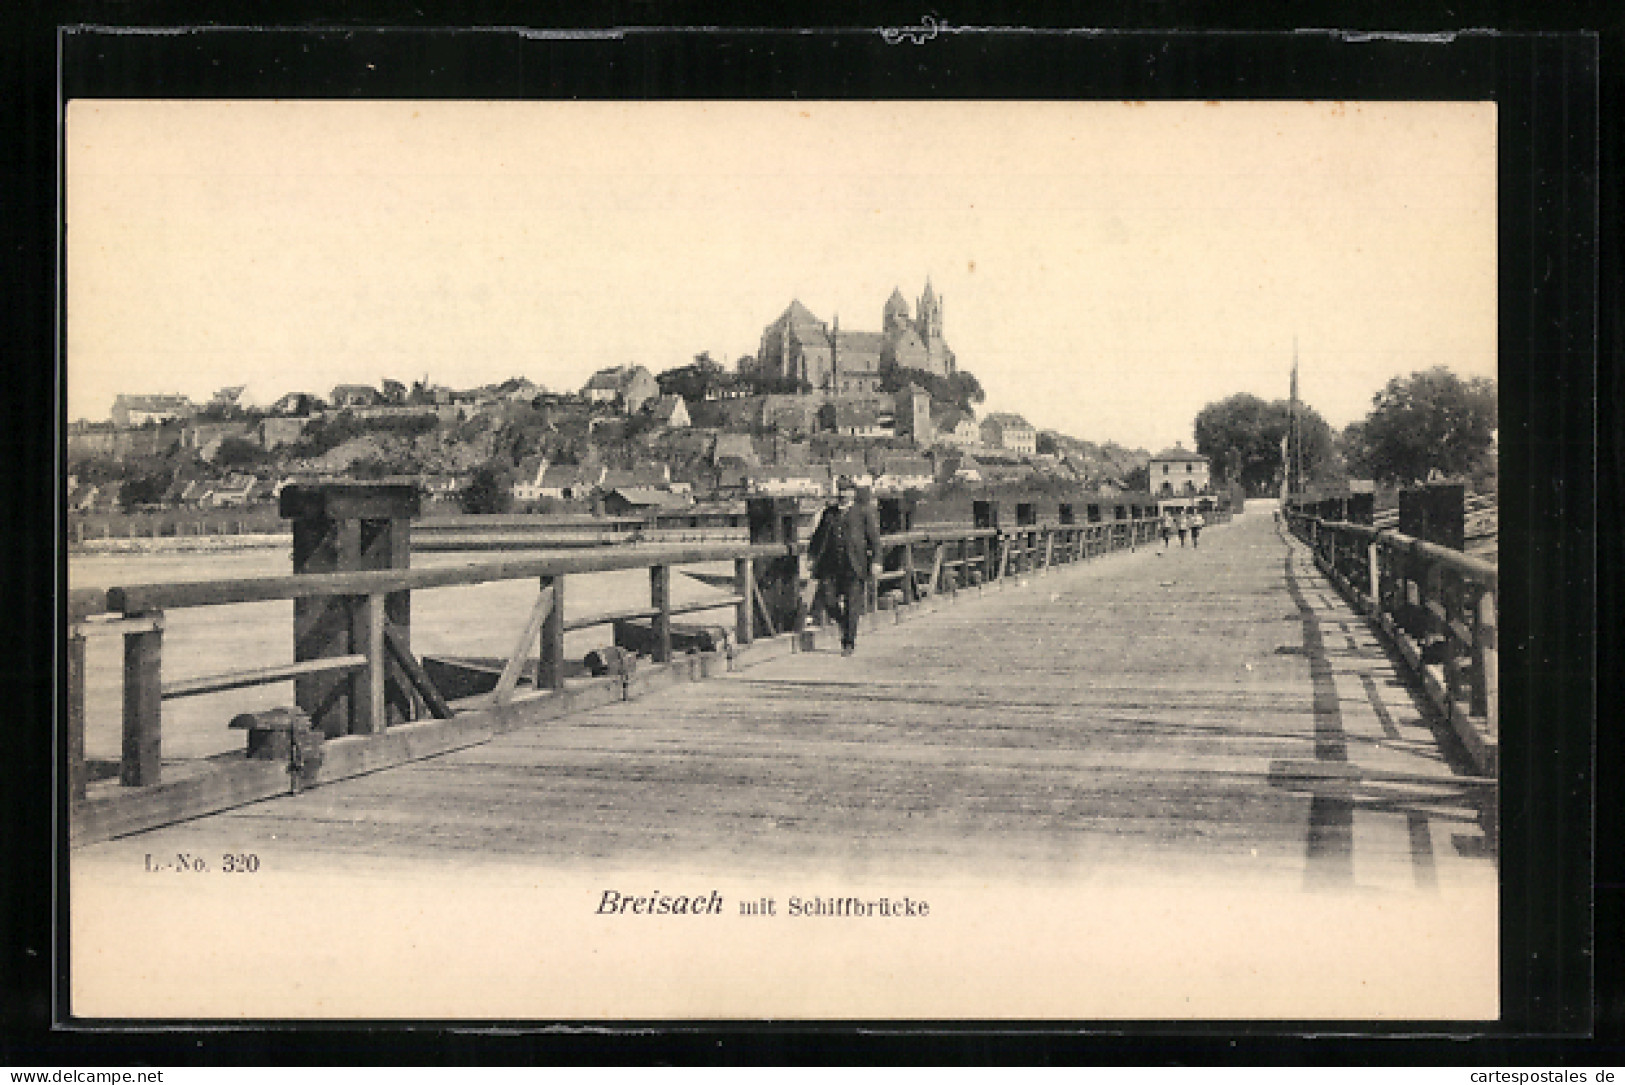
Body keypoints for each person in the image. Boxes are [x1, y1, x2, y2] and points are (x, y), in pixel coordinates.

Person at [808, 476, 882, 656]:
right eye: (840, 491)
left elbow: (875, 541)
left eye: (847, 491)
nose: (843, 494)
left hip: (855, 565)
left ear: (853, 493)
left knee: (852, 604)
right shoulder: (829, 513)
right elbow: (818, 537)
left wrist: (877, 561)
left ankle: (848, 642)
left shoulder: (863, 512)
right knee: (828, 600)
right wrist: (811, 557)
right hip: (831, 565)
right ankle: (843, 623)